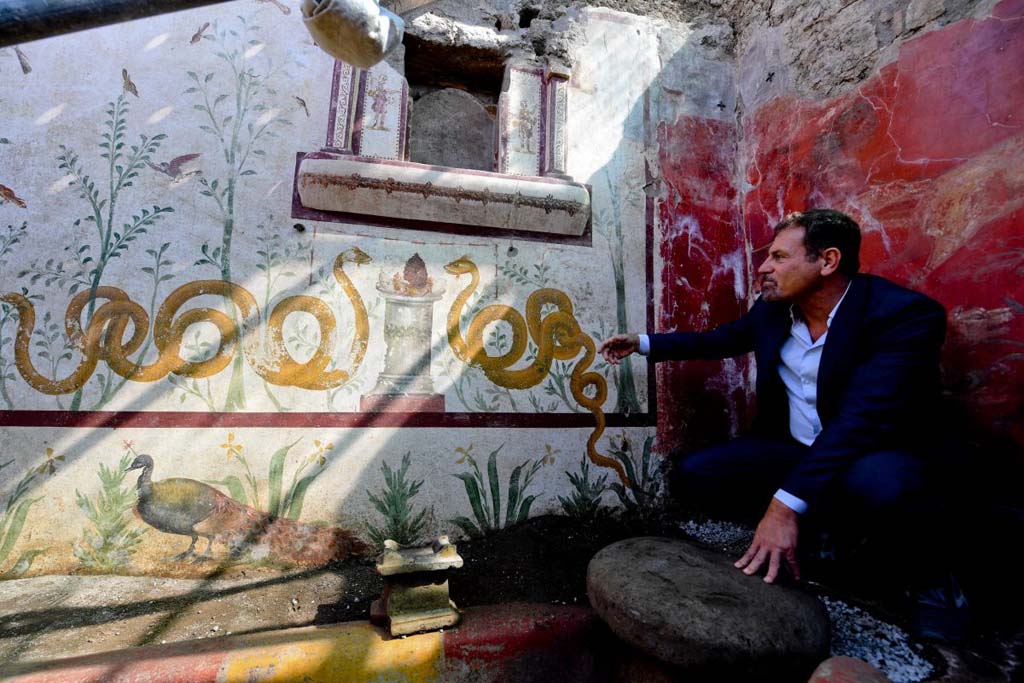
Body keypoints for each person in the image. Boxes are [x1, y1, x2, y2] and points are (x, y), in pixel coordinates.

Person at [598, 209, 969, 639]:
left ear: (827, 261)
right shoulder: (776, 310)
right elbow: (723, 339)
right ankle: (825, 540)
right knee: (698, 474)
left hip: (876, 454)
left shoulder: (903, 316)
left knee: (883, 484)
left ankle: (934, 584)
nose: (763, 267)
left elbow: (859, 422)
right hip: (799, 449)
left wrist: (781, 508)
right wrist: (643, 343)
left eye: (778, 256)